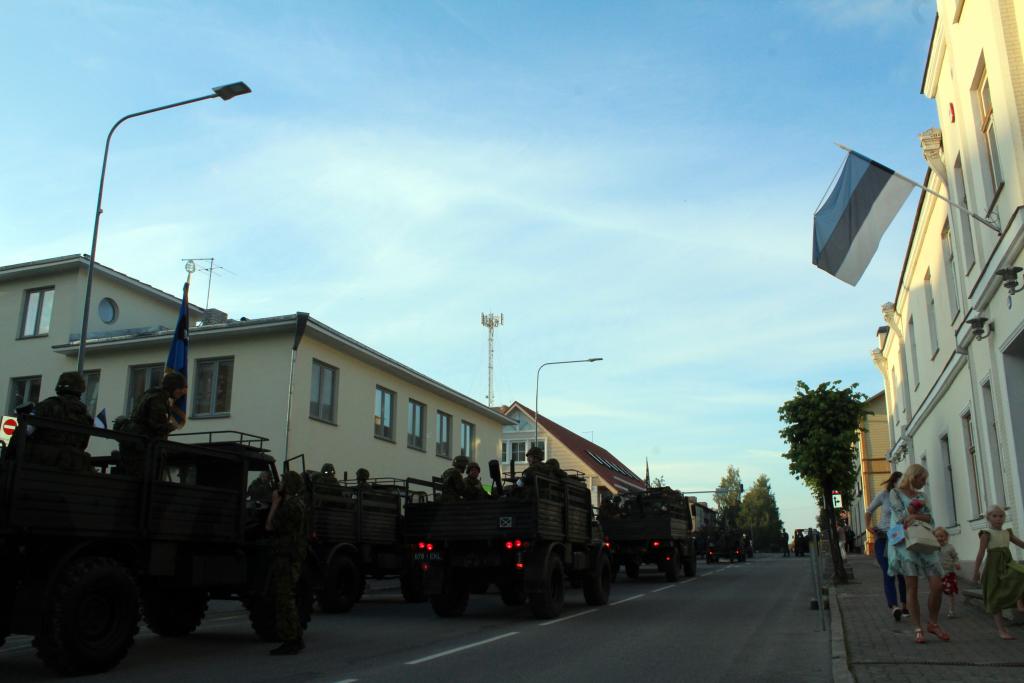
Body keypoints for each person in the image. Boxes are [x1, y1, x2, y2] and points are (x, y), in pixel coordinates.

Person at [887, 463, 948, 644]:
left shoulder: (922, 496)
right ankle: (918, 628)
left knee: (937, 585)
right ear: (913, 477)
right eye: (922, 479)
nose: (924, 482)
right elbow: (900, 518)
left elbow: (931, 518)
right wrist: (913, 510)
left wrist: (916, 516)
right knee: (911, 586)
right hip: (905, 543)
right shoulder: (895, 493)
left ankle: (933, 623)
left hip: (924, 540)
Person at [266, 470, 308, 655]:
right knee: (288, 597)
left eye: (283, 480)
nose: (280, 483)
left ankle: (290, 640)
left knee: (285, 599)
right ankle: (296, 637)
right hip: (292, 555)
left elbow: (270, 525)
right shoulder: (298, 503)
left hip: (286, 556)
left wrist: (275, 503)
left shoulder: (289, 506)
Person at [971, 505, 1024, 639]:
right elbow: (981, 553)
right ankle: (1001, 630)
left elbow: (1021, 544)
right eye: (994, 516)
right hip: (993, 567)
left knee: (1020, 574)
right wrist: (976, 571)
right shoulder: (986, 533)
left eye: (1001, 516)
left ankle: (1019, 600)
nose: (998, 519)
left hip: (1007, 563)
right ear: (988, 518)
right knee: (994, 597)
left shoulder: (1007, 533)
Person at [26, 371, 93, 471]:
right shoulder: (86, 414)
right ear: (80, 389)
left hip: (43, 463)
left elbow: (26, 431)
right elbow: (84, 444)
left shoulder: (47, 405)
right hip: (74, 464)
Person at [865, 471, 908, 621]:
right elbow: (869, 511)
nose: (900, 484)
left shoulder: (905, 496)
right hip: (883, 536)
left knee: (902, 571)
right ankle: (893, 606)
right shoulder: (884, 495)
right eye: (898, 482)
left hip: (899, 536)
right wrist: (868, 526)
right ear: (893, 482)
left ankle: (904, 604)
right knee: (888, 571)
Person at [933, 527, 960, 618]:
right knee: (937, 593)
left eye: (942, 536)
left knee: (950, 592)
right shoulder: (933, 548)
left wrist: (956, 563)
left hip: (949, 573)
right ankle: (935, 611)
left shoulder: (950, 547)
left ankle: (951, 610)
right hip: (937, 574)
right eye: (937, 536)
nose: (939, 538)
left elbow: (955, 557)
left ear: (946, 537)